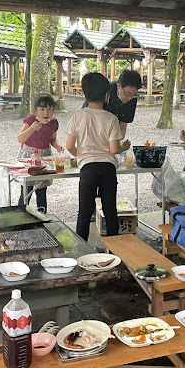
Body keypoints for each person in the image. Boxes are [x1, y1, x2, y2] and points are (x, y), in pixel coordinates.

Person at [66, 73, 130, 242]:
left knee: (85, 212)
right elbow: (114, 149)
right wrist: (125, 146)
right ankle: (113, 251)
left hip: (88, 168)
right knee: (110, 211)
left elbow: (69, 146)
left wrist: (83, 156)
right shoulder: (111, 118)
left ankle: (81, 250)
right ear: (107, 96)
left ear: (84, 95)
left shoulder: (77, 116)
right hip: (107, 168)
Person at [16, 94, 63, 211]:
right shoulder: (31, 120)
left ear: (53, 110)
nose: (45, 112)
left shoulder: (54, 123)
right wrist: (31, 129)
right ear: (35, 110)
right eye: (42, 109)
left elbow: (52, 139)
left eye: (49, 109)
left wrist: (57, 146)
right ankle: (20, 215)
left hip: (44, 157)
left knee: (42, 191)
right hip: (29, 156)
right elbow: (20, 138)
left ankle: (42, 217)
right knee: (26, 190)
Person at [82, 69, 141, 139]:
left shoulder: (133, 98)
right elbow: (91, 115)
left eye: (133, 94)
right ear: (119, 86)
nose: (129, 98)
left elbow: (123, 125)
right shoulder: (105, 90)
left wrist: (119, 145)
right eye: (127, 94)